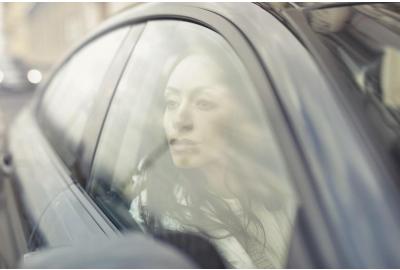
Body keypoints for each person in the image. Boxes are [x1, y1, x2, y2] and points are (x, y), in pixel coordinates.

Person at [128, 51, 297, 268]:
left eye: (203, 103)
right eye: (171, 102)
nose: (180, 120)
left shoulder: (289, 190)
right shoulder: (151, 211)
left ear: (243, 115)